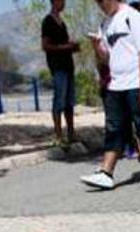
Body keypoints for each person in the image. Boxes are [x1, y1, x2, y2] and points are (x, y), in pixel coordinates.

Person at [80, 0, 140, 190]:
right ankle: (106, 173)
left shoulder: (132, 17)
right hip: (115, 85)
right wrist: (96, 46)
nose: (100, 4)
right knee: (114, 128)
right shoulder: (105, 24)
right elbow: (106, 57)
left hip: (136, 83)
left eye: (102, 1)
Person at [41, 0, 80, 150]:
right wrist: (65, 47)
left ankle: (71, 133)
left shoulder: (62, 22)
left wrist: (72, 47)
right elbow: (45, 45)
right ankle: (58, 135)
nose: (64, 3)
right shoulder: (48, 21)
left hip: (68, 66)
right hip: (58, 67)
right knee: (59, 100)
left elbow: (63, 43)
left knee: (69, 102)